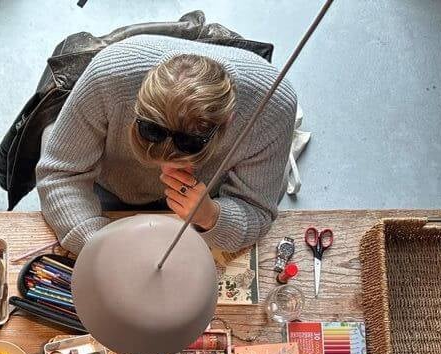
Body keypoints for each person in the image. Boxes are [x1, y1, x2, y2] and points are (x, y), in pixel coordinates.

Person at [37, 35, 297, 254]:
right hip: (108, 190)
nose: (164, 174)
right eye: (149, 141)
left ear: (229, 121)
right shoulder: (107, 76)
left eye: (183, 159)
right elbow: (61, 174)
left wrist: (212, 216)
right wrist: (97, 245)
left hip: (210, 197)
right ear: (136, 105)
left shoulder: (272, 106)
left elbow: (256, 210)